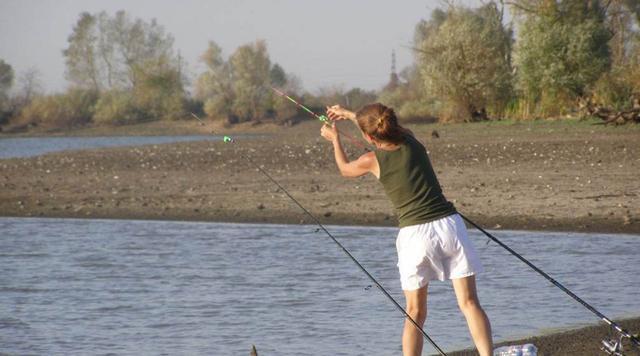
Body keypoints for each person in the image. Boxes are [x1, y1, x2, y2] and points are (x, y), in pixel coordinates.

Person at [320, 103, 493, 356]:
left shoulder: (371, 160)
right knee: (469, 302)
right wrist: (350, 115)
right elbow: (381, 129)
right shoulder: (412, 139)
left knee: (415, 312)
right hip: (448, 227)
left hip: (414, 236)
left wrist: (335, 138)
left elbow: (345, 169)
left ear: (369, 136)